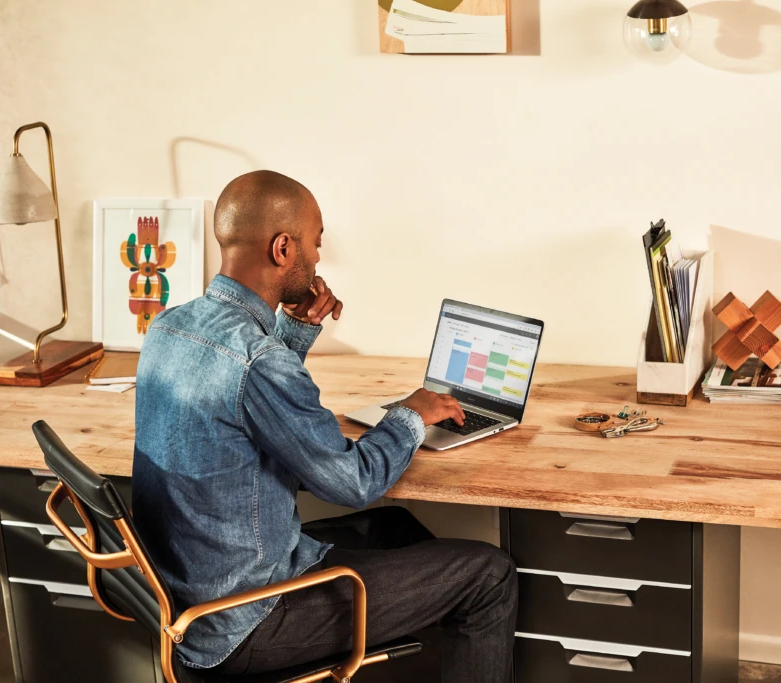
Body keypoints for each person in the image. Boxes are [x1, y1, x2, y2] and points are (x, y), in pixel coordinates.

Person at [132, 170, 518, 682]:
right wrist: (412, 414)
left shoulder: (169, 326)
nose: (318, 259)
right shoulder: (258, 359)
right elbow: (352, 482)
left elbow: (247, 410)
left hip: (192, 598)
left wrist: (296, 331)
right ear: (283, 248)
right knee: (489, 575)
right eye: (315, 244)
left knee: (396, 527)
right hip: (249, 620)